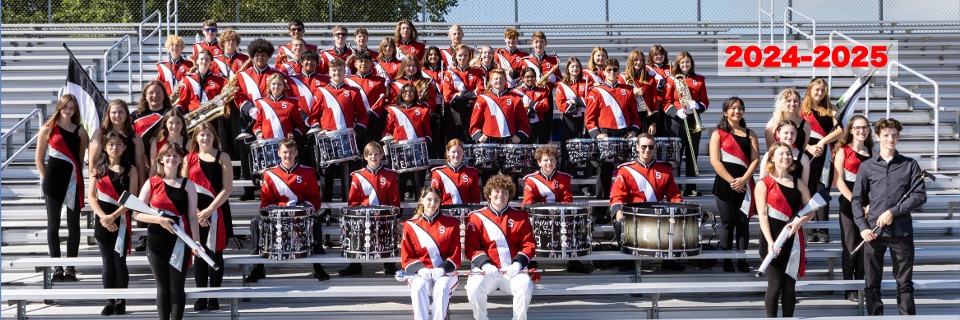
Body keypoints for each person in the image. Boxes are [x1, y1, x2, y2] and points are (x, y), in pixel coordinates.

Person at [852, 118, 926, 316]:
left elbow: (919, 196)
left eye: (894, 135)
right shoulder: (867, 166)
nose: (890, 138)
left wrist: (893, 212)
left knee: (904, 283)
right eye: (885, 135)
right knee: (872, 283)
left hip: (901, 232)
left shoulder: (910, 165)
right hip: (872, 234)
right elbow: (857, 199)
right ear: (877, 137)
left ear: (899, 137)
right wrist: (862, 227)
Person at [245, 138, 328, 282]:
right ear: (278, 153)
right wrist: (277, 213)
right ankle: (258, 267)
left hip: (301, 216)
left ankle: (318, 266)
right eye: (284, 152)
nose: (287, 155)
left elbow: (315, 199)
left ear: (296, 152)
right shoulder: (270, 174)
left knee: (316, 223)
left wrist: (302, 210)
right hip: (277, 216)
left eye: (291, 152)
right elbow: (266, 201)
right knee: (255, 222)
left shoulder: (307, 173)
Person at [134, 142, 200, 320]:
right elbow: (137, 213)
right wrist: (159, 220)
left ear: (181, 160)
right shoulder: (152, 182)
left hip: (180, 241)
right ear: (161, 159)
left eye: (176, 156)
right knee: (163, 288)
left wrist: (196, 242)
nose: (172, 158)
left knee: (177, 287)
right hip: (156, 242)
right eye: (168, 155)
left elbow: (193, 217)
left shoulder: (188, 184)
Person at [609, 133, 685, 272]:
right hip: (634, 216)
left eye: (650, 147)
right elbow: (617, 196)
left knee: (676, 220)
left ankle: (670, 259)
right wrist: (618, 211)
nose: (647, 150)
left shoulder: (664, 169)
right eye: (643, 146)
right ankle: (627, 259)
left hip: (657, 215)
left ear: (654, 148)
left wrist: (678, 209)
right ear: (637, 147)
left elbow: (674, 195)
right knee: (620, 223)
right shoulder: (625, 169)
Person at [464, 174, 535, 320]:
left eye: (505, 192)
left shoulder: (520, 217)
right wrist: (485, 265)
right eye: (496, 191)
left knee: (525, 285)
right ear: (489, 194)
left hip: (512, 270)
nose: (500, 195)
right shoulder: (476, 217)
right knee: (474, 288)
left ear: (509, 195)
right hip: (487, 271)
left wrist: (517, 263)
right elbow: (471, 247)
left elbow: (529, 245)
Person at [755, 141, 814, 318]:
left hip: (794, 239)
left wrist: (799, 223)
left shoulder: (799, 183)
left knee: (789, 286)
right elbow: (763, 216)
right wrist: (771, 242)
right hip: (771, 240)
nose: (786, 157)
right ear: (772, 157)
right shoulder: (763, 183)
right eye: (781, 154)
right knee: (775, 284)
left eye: (788, 154)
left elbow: (811, 211)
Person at [36, 94, 88, 283]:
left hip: (73, 182)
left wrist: (73, 178)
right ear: (59, 107)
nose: (68, 110)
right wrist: (48, 179)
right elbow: (39, 160)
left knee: (73, 225)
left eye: (72, 108)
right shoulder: (47, 129)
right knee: (53, 225)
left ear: (75, 110)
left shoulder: (80, 131)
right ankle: (57, 268)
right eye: (65, 107)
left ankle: (71, 268)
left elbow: (80, 160)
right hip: (53, 184)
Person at [183, 123, 233, 311]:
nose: (205, 138)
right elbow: (185, 187)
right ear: (195, 138)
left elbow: (227, 188)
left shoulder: (223, 157)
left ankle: (214, 296)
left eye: (208, 134)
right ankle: (201, 296)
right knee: (199, 252)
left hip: (217, 211)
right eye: (201, 135)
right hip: (194, 212)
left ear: (214, 137)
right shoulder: (189, 159)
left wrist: (209, 210)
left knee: (215, 253)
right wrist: (196, 212)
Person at [88, 131, 138, 315]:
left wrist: (114, 216)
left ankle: (121, 301)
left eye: (118, 144)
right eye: (111, 144)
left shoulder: (130, 170)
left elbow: (131, 198)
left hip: (121, 221)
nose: (114, 148)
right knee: (107, 262)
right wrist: (104, 217)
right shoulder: (98, 169)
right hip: (103, 221)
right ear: (105, 147)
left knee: (120, 263)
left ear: (124, 147)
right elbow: (91, 197)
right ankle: (109, 300)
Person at [708, 97, 759, 273]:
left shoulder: (749, 133)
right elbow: (715, 161)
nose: (737, 111)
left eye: (740, 108)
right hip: (724, 185)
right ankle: (727, 260)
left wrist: (743, 180)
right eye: (733, 108)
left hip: (745, 185)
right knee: (728, 223)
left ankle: (742, 260)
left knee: (743, 223)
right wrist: (732, 181)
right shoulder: (718, 133)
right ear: (725, 112)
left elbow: (755, 159)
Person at [521, 146, 592, 274]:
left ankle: (573, 261)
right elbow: (528, 204)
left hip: (560, 216)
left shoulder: (564, 178)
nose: (549, 163)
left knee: (573, 222)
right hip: (539, 218)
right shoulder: (531, 180)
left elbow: (567, 201)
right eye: (546, 160)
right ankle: (531, 261)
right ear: (539, 162)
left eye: (552, 160)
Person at [308, 58, 368, 204]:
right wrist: (318, 130)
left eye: (340, 71)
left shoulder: (353, 91)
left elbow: (363, 116)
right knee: (325, 176)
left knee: (347, 175)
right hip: (327, 138)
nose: (337, 73)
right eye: (334, 70)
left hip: (347, 138)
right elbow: (313, 116)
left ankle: (348, 208)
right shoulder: (321, 91)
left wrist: (357, 130)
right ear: (329, 72)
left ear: (345, 72)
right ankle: (325, 211)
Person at [234, 38, 287, 201]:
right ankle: (249, 189)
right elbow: (237, 95)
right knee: (247, 155)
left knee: (269, 153)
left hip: (269, 120)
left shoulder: (276, 75)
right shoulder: (242, 75)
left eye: (263, 55)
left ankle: (271, 186)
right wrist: (249, 109)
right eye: (257, 55)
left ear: (268, 56)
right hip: (247, 119)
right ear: (252, 56)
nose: (260, 58)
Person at [340, 142, 401, 277]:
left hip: (384, 218)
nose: (374, 157)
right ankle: (355, 264)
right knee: (352, 222)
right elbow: (353, 203)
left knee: (393, 223)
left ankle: (389, 264)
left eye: (376, 154)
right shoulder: (358, 176)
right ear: (365, 157)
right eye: (370, 154)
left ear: (382, 155)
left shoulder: (390, 175)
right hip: (363, 218)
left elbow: (394, 201)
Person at [400, 187, 462, 320]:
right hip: (421, 273)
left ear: (440, 202)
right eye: (429, 199)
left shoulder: (451, 223)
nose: (432, 204)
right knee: (418, 287)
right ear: (421, 200)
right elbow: (407, 257)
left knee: (442, 287)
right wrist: (421, 270)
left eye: (436, 200)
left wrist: (442, 269)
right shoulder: (410, 225)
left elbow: (455, 255)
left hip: (445, 272)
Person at [585, 58, 640, 203]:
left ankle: (627, 206)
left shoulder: (627, 90)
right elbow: (589, 119)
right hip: (605, 135)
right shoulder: (596, 91)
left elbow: (635, 116)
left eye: (615, 69)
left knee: (627, 172)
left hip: (624, 135)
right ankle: (600, 210)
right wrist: (597, 135)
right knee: (604, 172)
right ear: (603, 72)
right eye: (608, 70)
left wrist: (634, 131)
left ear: (618, 72)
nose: (612, 72)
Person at [832, 115, 874, 302]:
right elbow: (838, 180)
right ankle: (849, 288)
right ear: (850, 130)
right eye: (857, 127)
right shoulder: (843, 151)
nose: (861, 131)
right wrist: (856, 202)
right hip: (848, 204)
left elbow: (877, 183)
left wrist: (871, 204)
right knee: (850, 246)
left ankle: (860, 287)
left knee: (865, 247)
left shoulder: (872, 152)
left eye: (864, 127)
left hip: (869, 206)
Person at [131, 81, 174, 250]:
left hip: (166, 163)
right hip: (142, 163)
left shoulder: (171, 113)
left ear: (164, 94)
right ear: (145, 96)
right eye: (151, 93)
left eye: (158, 92)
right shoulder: (135, 115)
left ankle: (163, 231)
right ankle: (143, 234)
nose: (155, 96)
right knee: (143, 199)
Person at [801, 78, 843, 243]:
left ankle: (823, 231)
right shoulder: (801, 110)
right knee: (809, 192)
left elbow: (840, 129)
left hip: (825, 156)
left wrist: (822, 142)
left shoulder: (830, 109)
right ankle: (811, 231)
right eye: (817, 89)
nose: (819, 93)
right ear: (810, 90)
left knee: (822, 192)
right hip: (807, 156)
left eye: (823, 90)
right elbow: (796, 134)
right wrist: (809, 148)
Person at [664, 51, 708, 196]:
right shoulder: (672, 80)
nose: (685, 65)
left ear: (691, 63)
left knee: (692, 153)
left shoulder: (700, 80)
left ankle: (691, 187)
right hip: (676, 121)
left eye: (687, 62)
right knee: (676, 155)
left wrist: (697, 105)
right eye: (682, 62)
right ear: (678, 64)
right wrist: (676, 112)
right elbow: (666, 103)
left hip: (693, 120)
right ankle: (676, 187)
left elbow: (705, 102)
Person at [383, 83, 432, 199]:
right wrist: (390, 141)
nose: (408, 94)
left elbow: (428, 133)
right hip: (400, 155)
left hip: (418, 155)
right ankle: (399, 215)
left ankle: (420, 214)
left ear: (415, 94)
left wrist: (423, 143)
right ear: (400, 93)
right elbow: (388, 131)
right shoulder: (393, 110)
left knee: (419, 188)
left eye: (411, 91)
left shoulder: (422, 110)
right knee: (400, 186)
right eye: (405, 91)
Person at [88, 99, 146, 189]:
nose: (117, 115)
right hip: (105, 184)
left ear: (126, 114)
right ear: (108, 114)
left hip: (129, 183)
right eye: (114, 112)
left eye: (120, 112)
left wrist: (142, 191)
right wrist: (94, 187)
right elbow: (93, 162)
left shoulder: (134, 137)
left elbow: (140, 166)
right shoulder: (100, 134)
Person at [554, 57, 594, 184]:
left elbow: (590, 100)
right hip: (569, 120)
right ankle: (564, 177)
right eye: (572, 67)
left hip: (584, 119)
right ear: (568, 69)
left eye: (577, 66)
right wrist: (578, 105)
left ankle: (583, 183)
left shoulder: (587, 83)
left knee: (582, 150)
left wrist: (576, 101)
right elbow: (560, 104)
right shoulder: (562, 85)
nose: (575, 69)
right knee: (566, 150)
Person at [346, 51, 389, 147]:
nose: (363, 64)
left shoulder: (379, 81)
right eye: (360, 61)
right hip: (355, 122)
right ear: (355, 64)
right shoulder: (347, 81)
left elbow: (381, 101)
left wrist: (370, 115)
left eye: (366, 61)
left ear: (371, 64)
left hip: (373, 122)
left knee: (372, 148)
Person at [444, 44, 486, 142]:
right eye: (460, 55)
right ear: (455, 57)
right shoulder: (449, 73)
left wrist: (461, 95)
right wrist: (470, 96)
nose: (463, 58)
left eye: (465, 55)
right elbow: (448, 97)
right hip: (455, 113)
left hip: (473, 111)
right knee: (455, 143)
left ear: (469, 56)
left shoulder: (477, 72)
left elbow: (480, 92)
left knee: (471, 143)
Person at [253, 74, 306, 142]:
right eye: (273, 84)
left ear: (284, 86)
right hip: (267, 143)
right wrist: (259, 134)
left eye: (279, 84)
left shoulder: (291, 103)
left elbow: (300, 126)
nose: (276, 87)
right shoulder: (262, 103)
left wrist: (293, 134)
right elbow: (257, 125)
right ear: (269, 86)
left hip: (286, 144)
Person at [430, 139, 482, 205]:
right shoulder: (438, 173)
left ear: (463, 153)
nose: (456, 154)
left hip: (466, 213)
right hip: (445, 212)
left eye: (459, 152)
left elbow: (475, 200)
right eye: (453, 152)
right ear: (448, 153)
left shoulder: (472, 173)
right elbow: (434, 197)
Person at [623, 49, 657, 136]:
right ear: (631, 61)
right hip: (628, 117)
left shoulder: (649, 79)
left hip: (644, 116)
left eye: (641, 60)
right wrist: (634, 94)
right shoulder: (622, 78)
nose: (639, 62)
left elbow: (654, 102)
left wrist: (653, 123)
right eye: (636, 60)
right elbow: (620, 100)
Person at [513, 67, 551, 144]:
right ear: (522, 78)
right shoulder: (516, 92)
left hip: (538, 126)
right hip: (521, 125)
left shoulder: (543, 91)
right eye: (527, 77)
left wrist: (530, 104)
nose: (530, 79)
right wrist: (537, 105)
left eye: (532, 76)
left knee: (537, 152)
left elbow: (545, 107)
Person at [149, 108, 189, 177]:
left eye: (178, 123)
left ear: (183, 124)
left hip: (184, 182)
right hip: (163, 180)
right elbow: (153, 168)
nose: (174, 126)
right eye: (171, 123)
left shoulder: (189, 142)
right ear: (165, 124)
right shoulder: (156, 143)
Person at [645, 45, 670, 133]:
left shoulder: (671, 69)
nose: (659, 56)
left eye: (661, 54)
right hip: (655, 103)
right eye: (656, 54)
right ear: (651, 56)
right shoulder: (646, 68)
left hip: (669, 104)